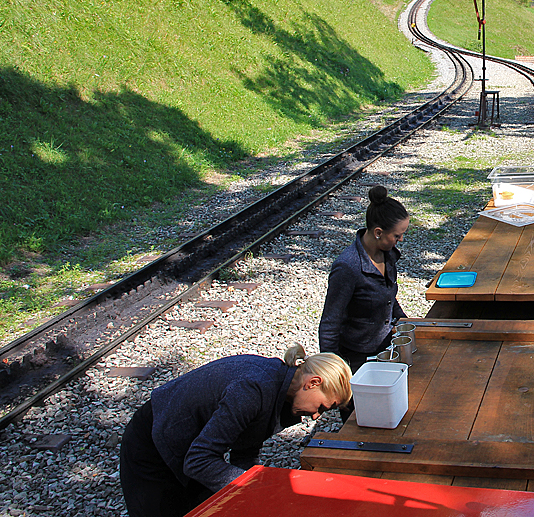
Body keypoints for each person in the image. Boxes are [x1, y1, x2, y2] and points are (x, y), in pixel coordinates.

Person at [119, 344, 352, 517]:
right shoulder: (254, 389)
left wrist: (254, 489)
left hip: (188, 444)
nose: (315, 416)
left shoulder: (285, 396)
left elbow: (245, 448)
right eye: (322, 407)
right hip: (152, 444)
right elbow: (198, 461)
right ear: (313, 382)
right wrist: (254, 486)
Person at [319, 185, 409, 371]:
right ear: (378, 232)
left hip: (386, 348)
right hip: (357, 359)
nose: (401, 240)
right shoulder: (347, 267)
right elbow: (330, 322)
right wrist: (332, 370)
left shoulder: (388, 254)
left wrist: (407, 323)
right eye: (397, 235)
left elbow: (388, 298)